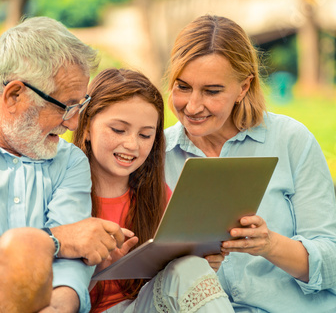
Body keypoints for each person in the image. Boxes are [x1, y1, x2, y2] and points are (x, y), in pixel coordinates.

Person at [163, 14, 336, 312]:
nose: (193, 106)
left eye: (212, 91)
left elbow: (334, 260)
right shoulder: (158, 155)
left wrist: (270, 245)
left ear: (244, 88)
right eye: (182, 87)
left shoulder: (289, 139)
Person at [0, 17, 129, 313]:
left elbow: (73, 264)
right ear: (14, 95)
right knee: (26, 246)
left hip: (43, 307)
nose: (74, 122)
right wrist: (52, 241)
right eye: (65, 106)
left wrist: (59, 308)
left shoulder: (69, 162)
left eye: (81, 105)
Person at [72, 68, 234, 313]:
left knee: (191, 267)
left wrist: (202, 258)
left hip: (141, 306)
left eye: (145, 135)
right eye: (118, 130)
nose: (132, 144)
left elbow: (172, 278)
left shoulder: (154, 194)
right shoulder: (65, 192)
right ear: (85, 127)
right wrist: (98, 271)